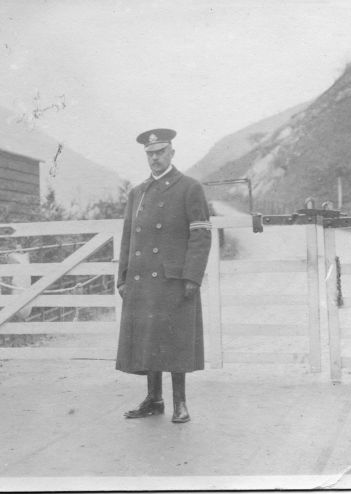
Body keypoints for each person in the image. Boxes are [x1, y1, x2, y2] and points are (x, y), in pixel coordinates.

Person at [116, 128, 212, 423]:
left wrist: (192, 277)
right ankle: (153, 399)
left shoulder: (189, 188)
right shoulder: (138, 193)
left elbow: (201, 237)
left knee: (175, 341)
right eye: (150, 154)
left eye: (160, 152)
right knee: (148, 340)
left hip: (174, 280)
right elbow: (128, 238)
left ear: (172, 152)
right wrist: (122, 277)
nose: (155, 158)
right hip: (142, 280)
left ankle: (180, 403)